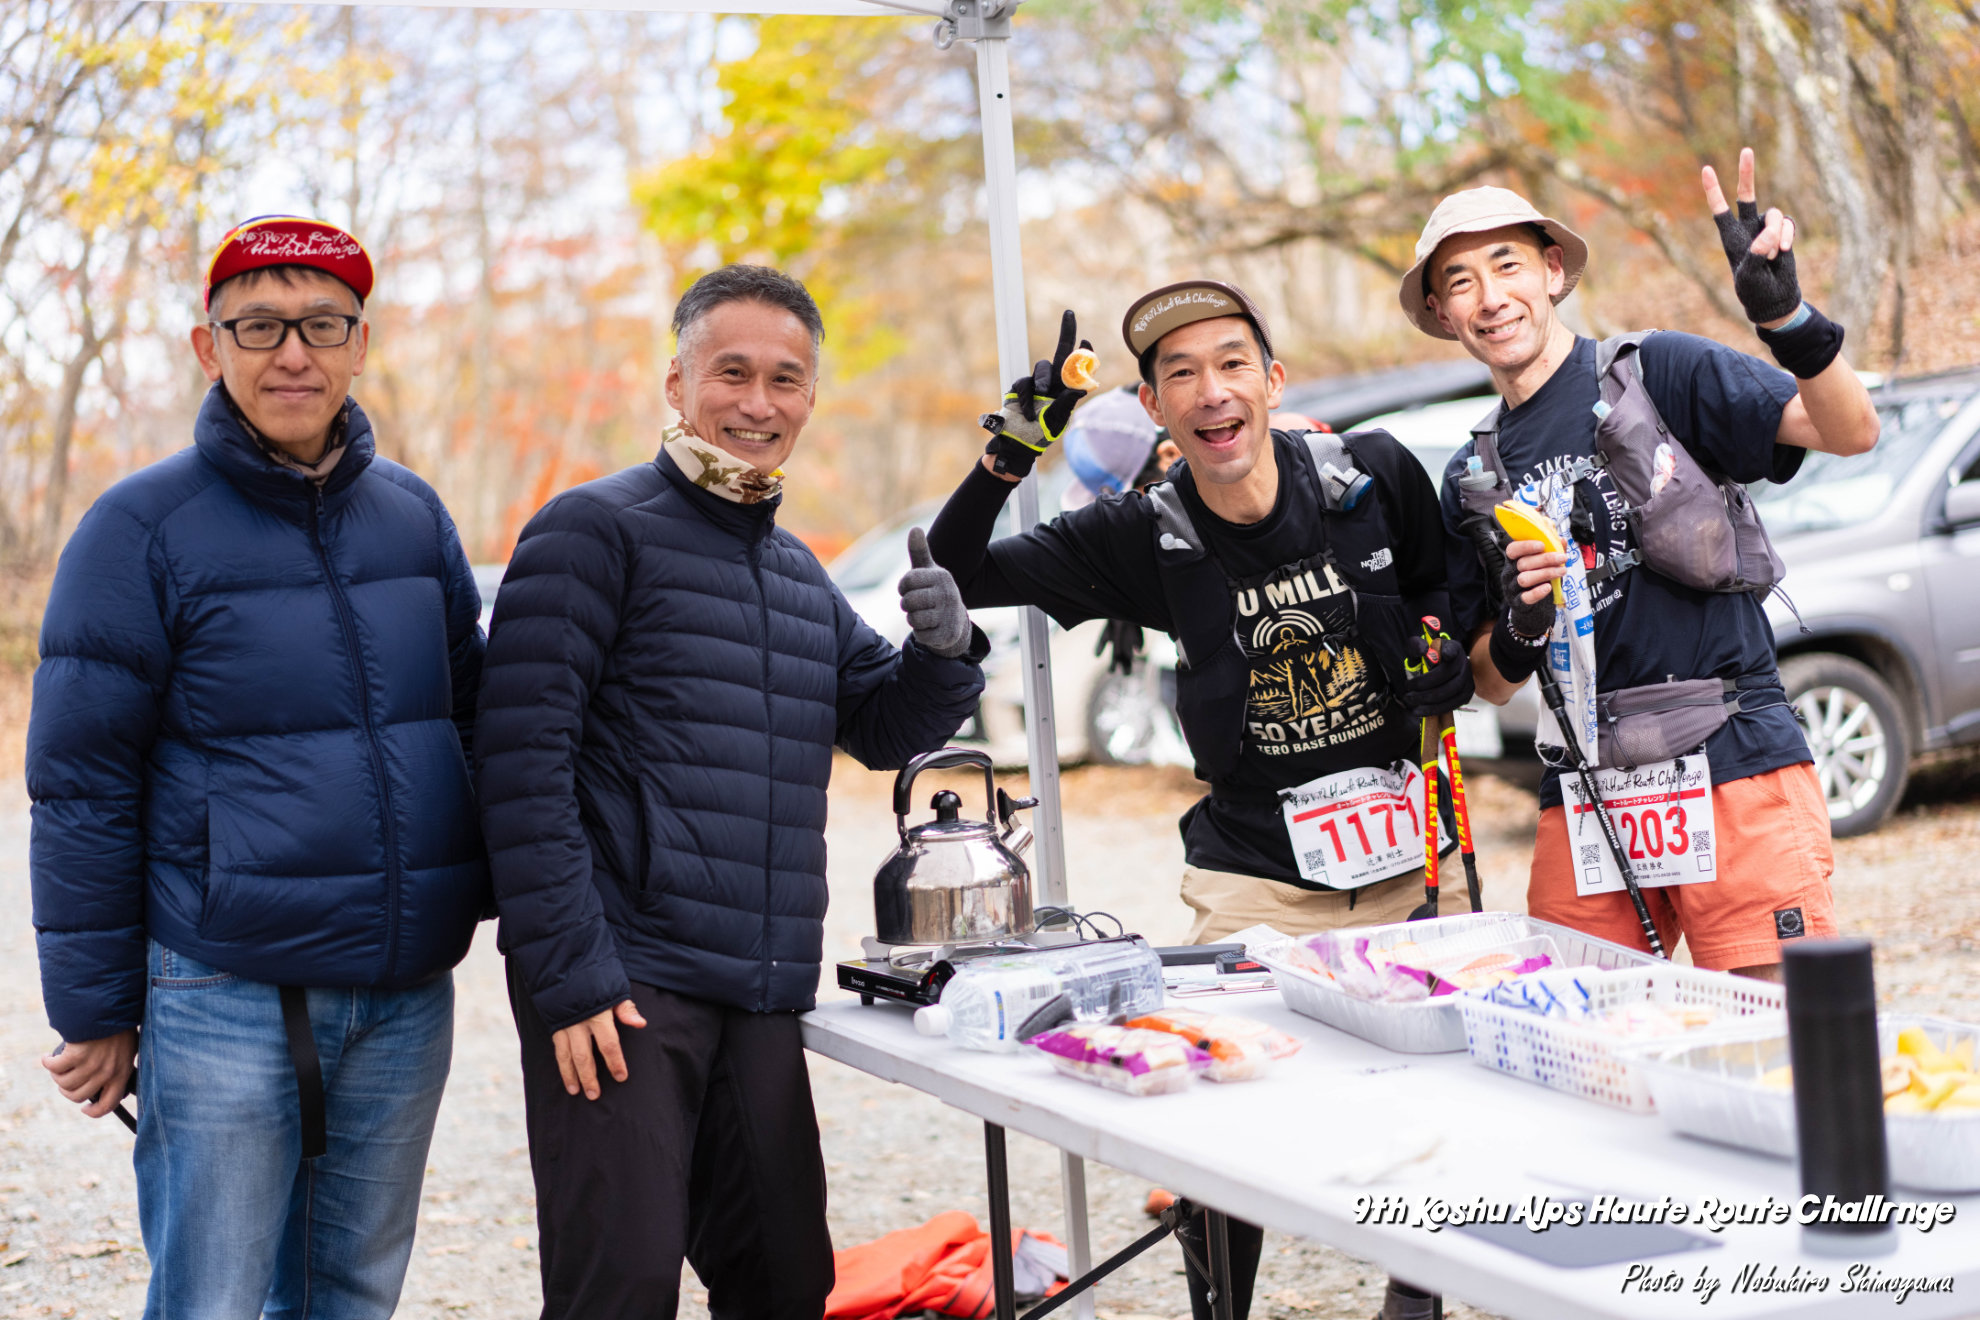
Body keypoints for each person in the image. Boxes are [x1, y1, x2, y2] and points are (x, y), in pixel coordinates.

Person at [926, 287, 1473, 1320]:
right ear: (1155, 408)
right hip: (1251, 872)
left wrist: (1439, 650)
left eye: (1231, 363)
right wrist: (1011, 450)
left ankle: (1416, 1300)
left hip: (1406, 855)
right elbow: (958, 572)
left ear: (1274, 380)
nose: (1211, 390)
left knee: (1428, 1095)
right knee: (1226, 1115)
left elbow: (1445, 584)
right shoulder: (1148, 533)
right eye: (1180, 374)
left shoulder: (1369, 476)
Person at [473, 264, 989, 1319]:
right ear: (678, 383)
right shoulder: (592, 531)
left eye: (785, 379)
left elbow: (881, 725)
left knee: (786, 1284)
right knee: (619, 1293)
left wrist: (945, 653)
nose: (759, 403)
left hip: (756, 987)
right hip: (622, 984)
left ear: (810, 396)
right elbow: (518, 761)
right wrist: (568, 975)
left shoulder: (795, 573)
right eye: (733, 373)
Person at [29, 216, 488, 1319]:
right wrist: (96, 1008)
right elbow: (82, 785)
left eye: (322, 325)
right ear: (209, 347)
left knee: (353, 1293)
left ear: (360, 344)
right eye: (259, 326)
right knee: (215, 1300)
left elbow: (474, 727)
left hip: (403, 998)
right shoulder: (138, 529)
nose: (293, 354)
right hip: (225, 989)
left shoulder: (414, 517)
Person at [1407, 151, 1879, 978]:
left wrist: (1788, 320)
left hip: (1728, 750)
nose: (1490, 297)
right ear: (1444, 314)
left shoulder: (1656, 372)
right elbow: (1490, 680)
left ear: (1553, 270)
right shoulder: (1471, 475)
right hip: (1585, 785)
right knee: (1585, 1035)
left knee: (1773, 1022)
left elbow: (1851, 431)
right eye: (1461, 282)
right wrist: (1520, 625)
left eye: (1507, 265)